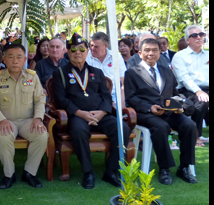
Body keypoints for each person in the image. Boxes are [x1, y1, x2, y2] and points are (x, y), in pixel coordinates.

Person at [52, 33, 131, 189]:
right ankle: (88, 172)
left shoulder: (97, 72)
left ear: (87, 51)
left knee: (123, 128)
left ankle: (111, 171)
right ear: (68, 52)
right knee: (79, 131)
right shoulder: (60, 73)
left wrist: (102, 112)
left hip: (100, 115)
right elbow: (61, 99)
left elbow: (106, 97)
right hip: (77, 116)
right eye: (73, 50)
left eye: (82, 49)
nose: (78, 53)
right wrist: (81, 113)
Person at [125, 38, 198, 184]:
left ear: (160, 52)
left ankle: (184, 167)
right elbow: (131, 98)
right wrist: (148, 107)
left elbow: (175, 91)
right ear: (140, 53)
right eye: (147, 50)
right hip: (146, 113)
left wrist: (179, 106)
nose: (150, 53)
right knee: (160, 127)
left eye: (154, 50)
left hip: (169, 112)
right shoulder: (132, 72)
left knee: (189, 126)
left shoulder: (166, 71)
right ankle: (164, 168)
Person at [0, 44, 48, 189]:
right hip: (6, 121)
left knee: (41, 135)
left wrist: (38, 118)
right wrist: (2, 120)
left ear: (25, 59)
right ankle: (9, 174)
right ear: (4, 60)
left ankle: (29, 173)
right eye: (11, 57)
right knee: (4, 138)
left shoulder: (32, 77)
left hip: (28, 121)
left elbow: (40, 99)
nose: (15, 61)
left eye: (19, 57)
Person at [171, 25, 209, 146]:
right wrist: (198, 91)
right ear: (188, 40)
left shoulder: (207, 54)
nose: (199, 37)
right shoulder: (179, 56)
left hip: (206, 88)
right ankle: (196, 135)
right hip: (187, 89)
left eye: (201, 34)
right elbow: (184, 78)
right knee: (201, 100)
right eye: (194, 35)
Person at [86, 32, 127, 107]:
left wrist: (122, 103)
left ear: (106, 46)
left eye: (96, 46)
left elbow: (124, 82)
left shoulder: (116, 57)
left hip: (114, 98)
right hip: (92, 99)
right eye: (91, 45)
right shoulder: (85, 57)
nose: (92, 49)